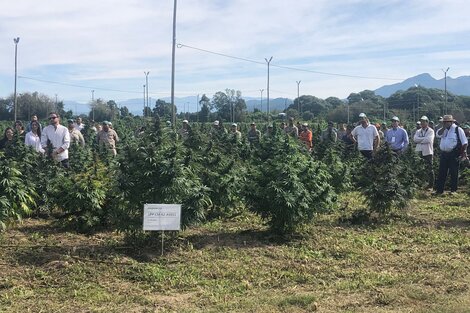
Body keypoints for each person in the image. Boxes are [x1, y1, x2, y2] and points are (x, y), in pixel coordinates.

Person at [434, 115, 468, 195]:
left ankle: (453, 190)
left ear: (451, 122)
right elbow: (438, 134)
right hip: (444, 154)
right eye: (444, 122)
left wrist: (463, 153)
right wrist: (443, 127)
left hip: (454, 153)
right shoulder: (443, 130)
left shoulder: (458, 129)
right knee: (442, 172)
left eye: (446, 122)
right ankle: (439, 190)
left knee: (454, 172)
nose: (445, 123)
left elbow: (465, 142)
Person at [413, 116, 435, 189]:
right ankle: (421, 184)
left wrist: (420, 140)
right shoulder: (418, 131)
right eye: (421, 121)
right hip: (419, 151)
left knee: (429, 168)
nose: (422, 123)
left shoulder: (431, 131)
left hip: (428, 152)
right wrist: (423, 140)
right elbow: (415, 139)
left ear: (427, 122)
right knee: (420, 167)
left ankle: (430, 185)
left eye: (424, 121)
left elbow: (428, 140)